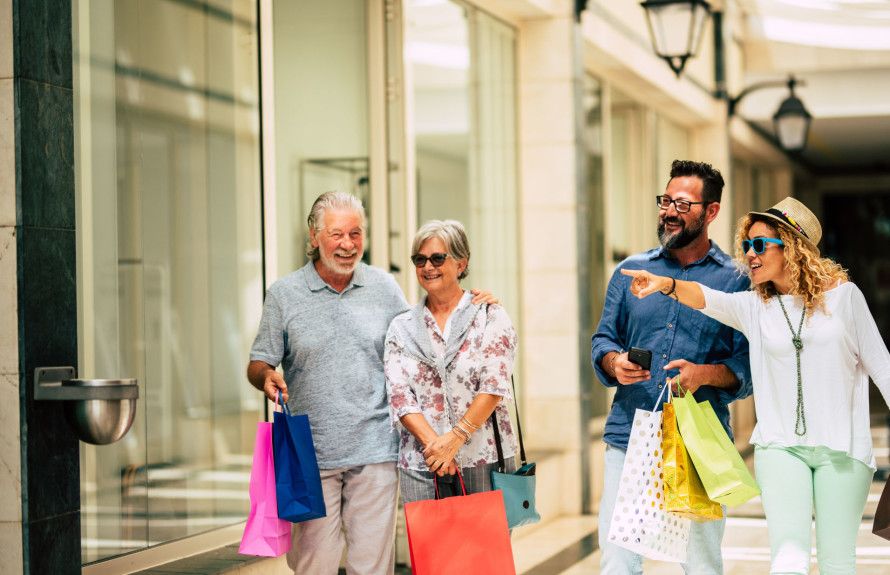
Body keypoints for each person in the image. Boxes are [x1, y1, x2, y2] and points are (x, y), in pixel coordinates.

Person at [622, 196, 890, 574]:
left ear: (793, 247)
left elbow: (883, 368)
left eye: (760, 244)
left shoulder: (845, 299)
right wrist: (665, 284)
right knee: (788, 559)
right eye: (746, 245)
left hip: (843, 449)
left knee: (837, 561)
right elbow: (706, 298)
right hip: (780, 447)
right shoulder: (754, 306)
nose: (750, 253)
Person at [247, 193, 495, 575]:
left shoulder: (384, 287)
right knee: (316, 564)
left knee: (372, 565)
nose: (348, 244)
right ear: (314, 237)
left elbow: (424, 333)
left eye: (356, 233)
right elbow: (259, 361)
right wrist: (266, 376)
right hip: (310, 453)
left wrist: (472, 303)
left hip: (376, 449)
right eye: (336, 234)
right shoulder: (284, 294)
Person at [591, 159, 752, 574]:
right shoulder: (630, 271)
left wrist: (705, 374)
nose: (668, 212)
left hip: (698, 437)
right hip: (629, 432)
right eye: (666, 201)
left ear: (711, 211)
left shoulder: (736, 280)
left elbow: (746, 366)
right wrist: (615, 361)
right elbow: (603, 339)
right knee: (617, 560)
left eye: (682, 204)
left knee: (700, 563)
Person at [383, 220, 518, 504]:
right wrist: (437, 448)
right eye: (420, 259)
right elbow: (400, 396)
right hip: (423, 463)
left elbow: (494, 385)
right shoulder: (402, 327)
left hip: (484, 459)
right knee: (428, 549)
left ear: (461, 263)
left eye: (437, 258)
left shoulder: (489, 316)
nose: (428, 267)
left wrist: (454, 441)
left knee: (484, 549)